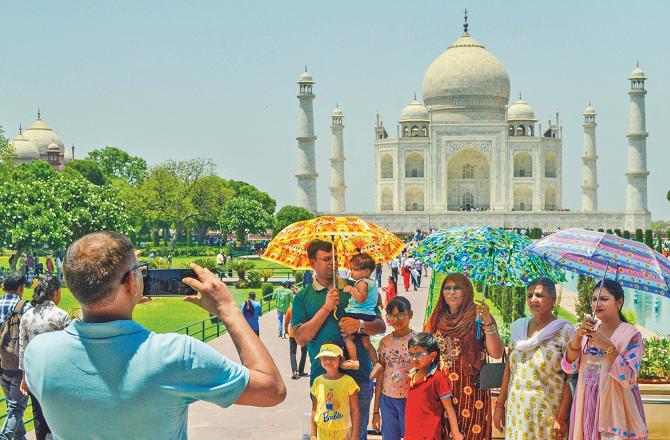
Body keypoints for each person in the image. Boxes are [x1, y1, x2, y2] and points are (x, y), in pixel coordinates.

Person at [23, 231, 285, 440]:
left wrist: (125, 298)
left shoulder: (39, 353)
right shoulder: (175, 355)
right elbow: (272, 390)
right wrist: (228, 310)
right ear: (131, 283)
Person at [292, 239, 386, 440]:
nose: (332, 263)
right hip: (324, 381)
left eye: (335, 258)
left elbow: (380, 325)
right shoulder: (303, 297)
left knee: (356, 435)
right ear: (312, 263)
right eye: (326, 259)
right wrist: (326, 308)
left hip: (358, 378)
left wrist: (359, 326)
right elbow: (301, 338)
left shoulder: (357, 288)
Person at [562, 280, 647, 440]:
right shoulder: (589, 331)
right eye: (594, 299)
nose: (597, 303)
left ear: (619, 302)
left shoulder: (631, 335)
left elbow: (628, 378)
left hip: (615, 409)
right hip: (586, 403)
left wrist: (607, 345)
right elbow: (569, 367)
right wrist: (577, 338)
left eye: (604, 299)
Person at [424, 273, 505, 440]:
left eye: (457, 288)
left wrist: (488, 322)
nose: (451, 292)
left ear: (467, 291)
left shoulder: (478, 317)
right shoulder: (437, 317)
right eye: (448, 288)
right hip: (441, 390)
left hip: (471, 392)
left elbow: (496, 353)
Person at [493, 277, 575, 439]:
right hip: (517, 411)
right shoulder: (519, 328)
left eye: (539, 295)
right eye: (529, 295)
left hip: (547, 414)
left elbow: (571, 378)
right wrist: (500, 406)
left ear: (553, 300)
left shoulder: (564, 331)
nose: (533, 300)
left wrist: (562, 417)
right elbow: (509, 370)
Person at [18, 275, 71, 440]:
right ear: (56, 293)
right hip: (59, 377)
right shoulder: (61, 316)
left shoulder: (27, 316)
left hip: (35, 377)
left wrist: (24, 378)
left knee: (40, 419)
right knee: (61, 420)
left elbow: (23, 350)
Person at [372, 296, 416, 440]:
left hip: (410, 400)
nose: (396, 319)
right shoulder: (384, 343)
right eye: (391, 315)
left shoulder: (418, 341)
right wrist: (376, 412)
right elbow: (380, 376)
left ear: (410, 315)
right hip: (387, 400)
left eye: (400, 315)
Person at [404, 332, 463, 440]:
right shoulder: (411, 375)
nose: (414, 359)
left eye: (419, 355)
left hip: (429, 436)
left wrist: (455, 433)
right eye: (411, 354)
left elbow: (449, 408)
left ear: (432, 355)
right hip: (411, 435)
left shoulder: (438, 378)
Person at [0, 272, 32, 440]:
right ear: (21, 288)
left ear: (3, 287)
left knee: (12, 406)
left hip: (2, 364)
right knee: (16, 408)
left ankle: (20, 438)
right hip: (19, 366)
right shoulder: (26, 308)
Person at [340, 253, 381, 378]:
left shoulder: (361, 283)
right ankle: (376, 363)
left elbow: (361, 298)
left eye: (354, 269)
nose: (351, 272)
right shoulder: (372, 283)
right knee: (366, 342)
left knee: (348, 337)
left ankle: (353, 360)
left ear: (366, 271)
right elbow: (377, 298)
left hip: (357, 313)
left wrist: (351, 289)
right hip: (368, 314)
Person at [310, 343, 360, 440]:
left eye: (332, 358)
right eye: (324, 358)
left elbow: (355, 410)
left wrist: (355, 435)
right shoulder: (317, 382)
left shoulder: (348, 381)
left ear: (341, 359)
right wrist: (313, 433)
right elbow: (314, 409)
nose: (328, 361)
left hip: (343, 431)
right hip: (322, 431)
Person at [284, 304, 308, 380]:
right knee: (304, 352)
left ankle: (295, 371)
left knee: (293, 353)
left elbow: (286, 321)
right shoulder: (304, 308)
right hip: (303, 334)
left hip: (292, 334)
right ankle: (301, 370)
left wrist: (285, 331)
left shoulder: (290, 309)